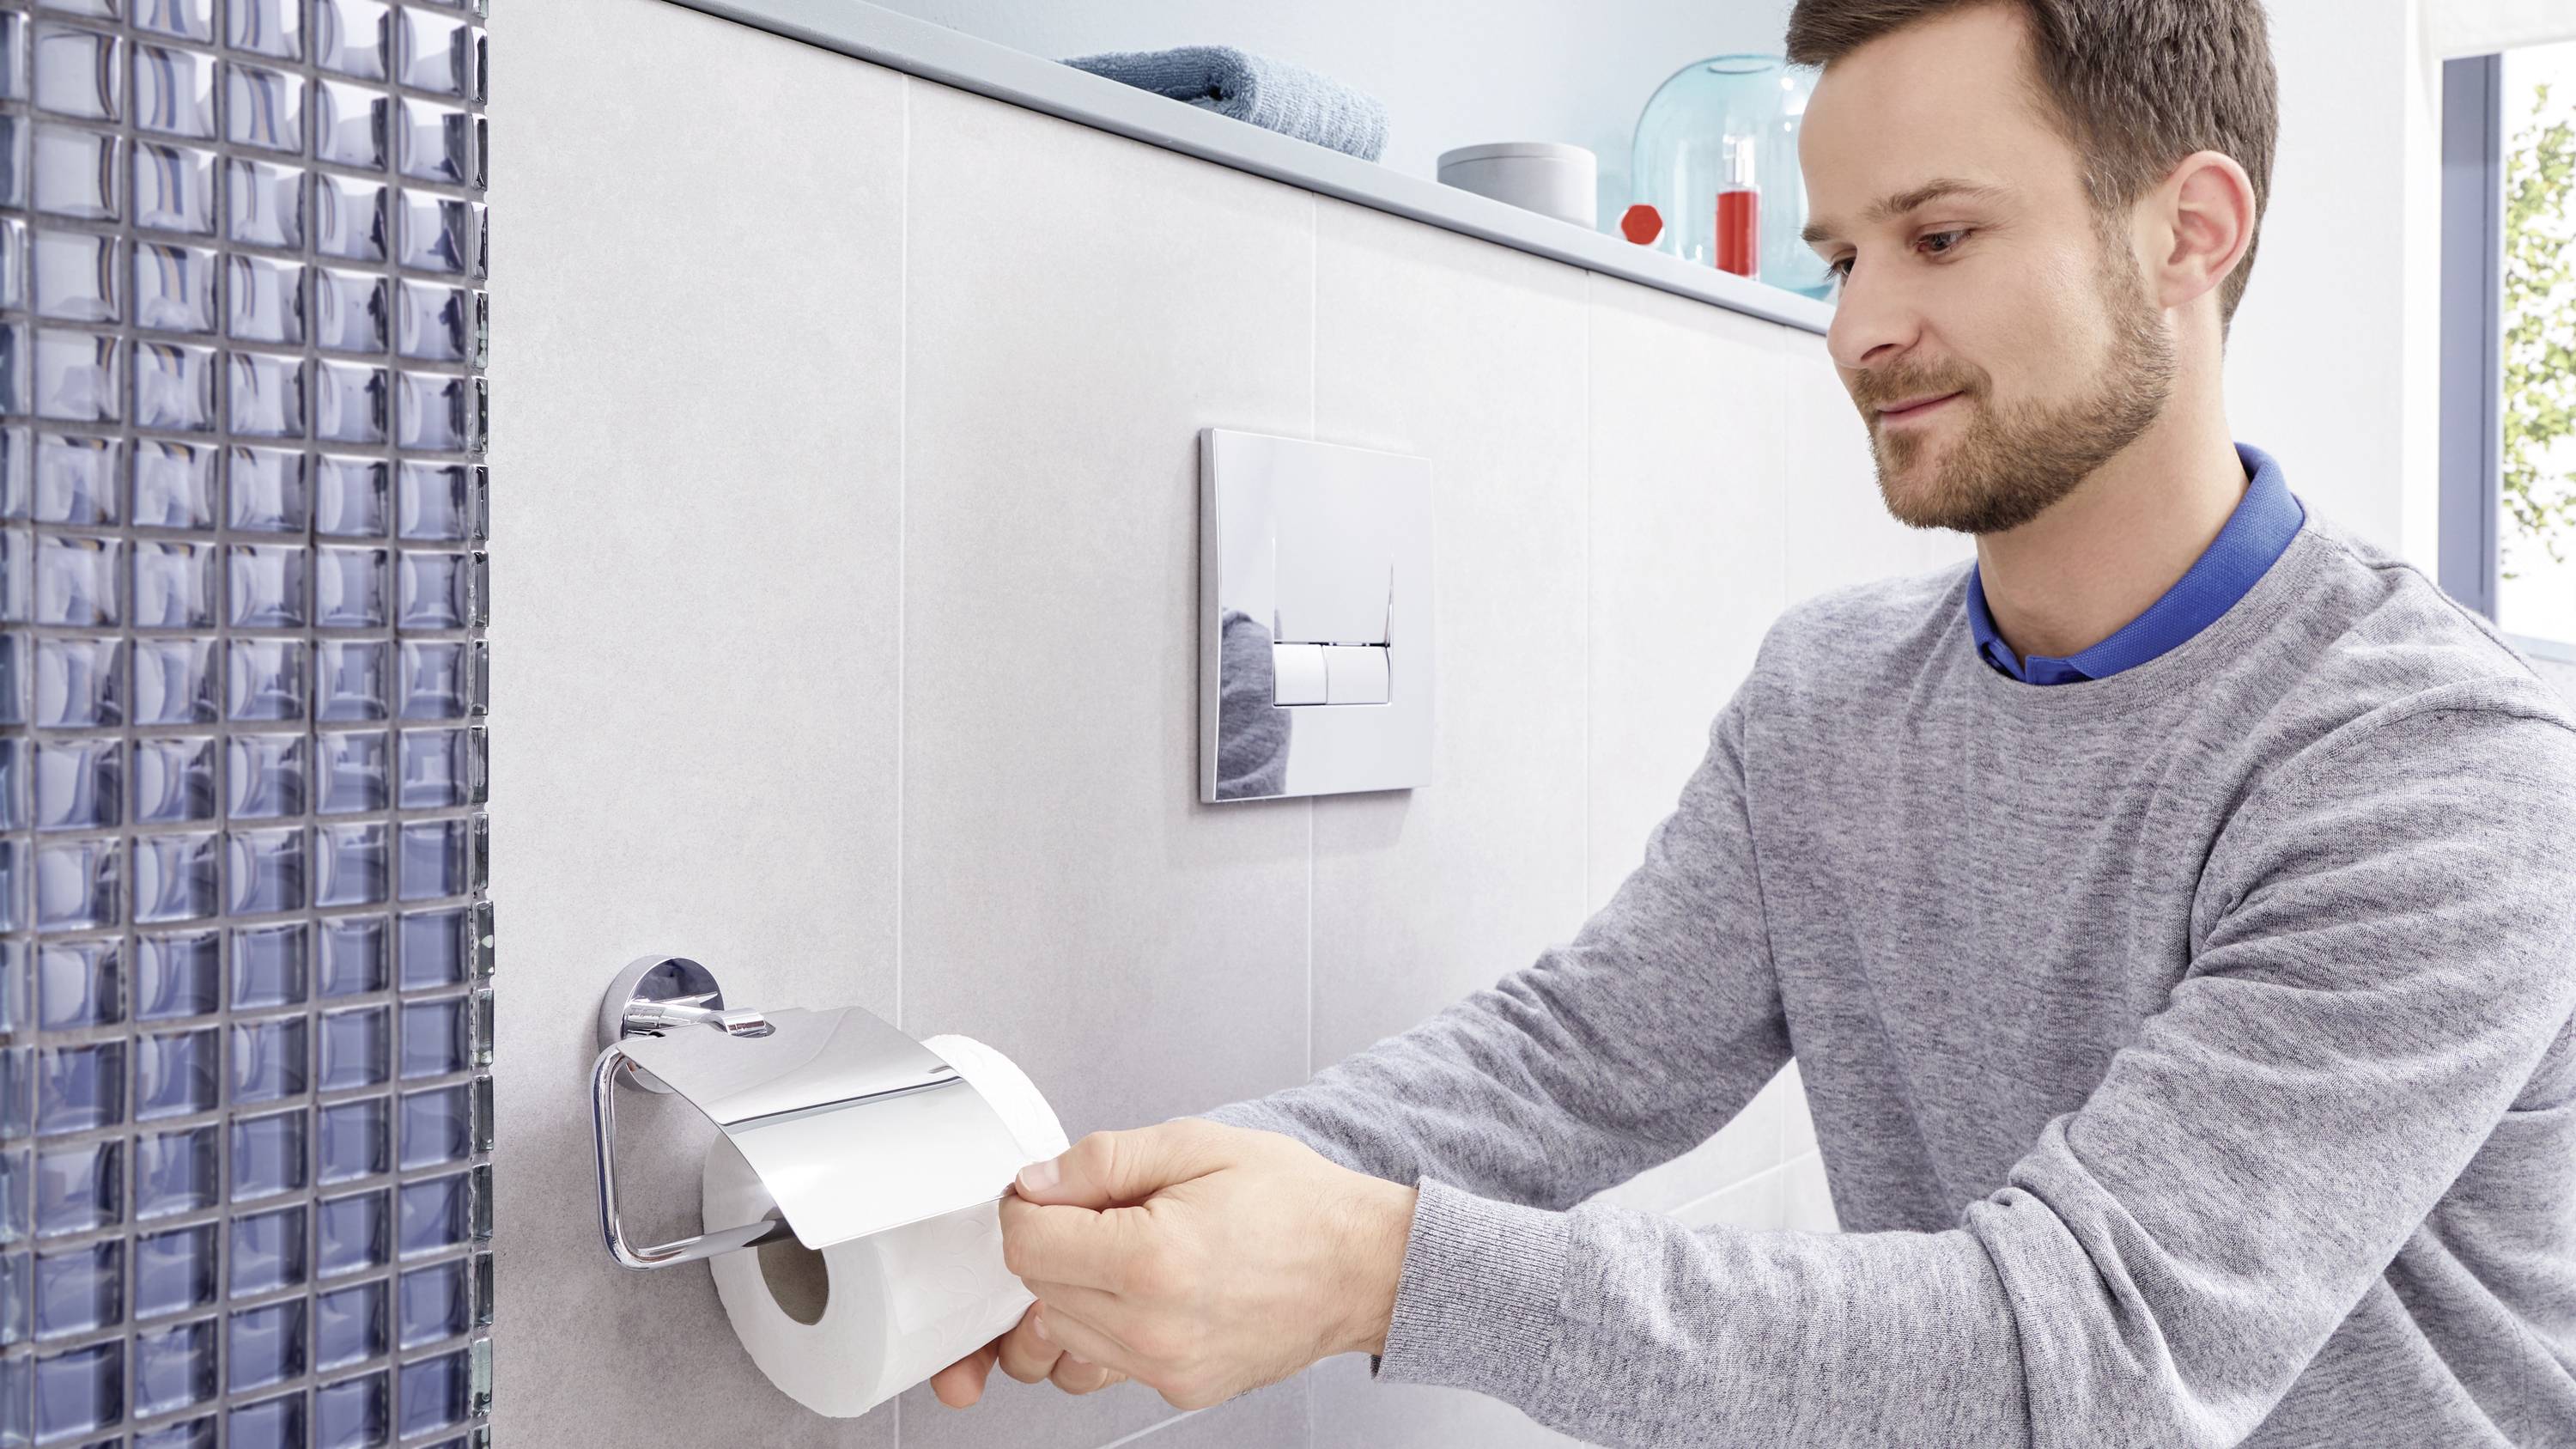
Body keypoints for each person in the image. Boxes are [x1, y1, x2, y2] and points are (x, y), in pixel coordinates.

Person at [931, 1, 2576, 1442]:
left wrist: (1374, 1273)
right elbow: (1573, 1063)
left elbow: (2082, 1363)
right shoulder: (1828, 701)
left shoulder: (2437, 770)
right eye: (1843, 256)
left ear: (2188, 232)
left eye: (1940, 238)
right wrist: (1138, 1212)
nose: (1856, 330)